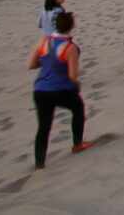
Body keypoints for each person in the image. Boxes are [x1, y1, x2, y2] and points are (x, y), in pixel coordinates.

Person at [27, 10, 92, 169]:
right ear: (72, 26)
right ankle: (77, 143)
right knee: (78, 108)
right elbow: (72, 75)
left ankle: (39, 163)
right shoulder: (70, 48)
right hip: (59, 90)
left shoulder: (44, 42)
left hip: (40, 90)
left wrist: (46, 64)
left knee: (43, 127)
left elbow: (30, 65)